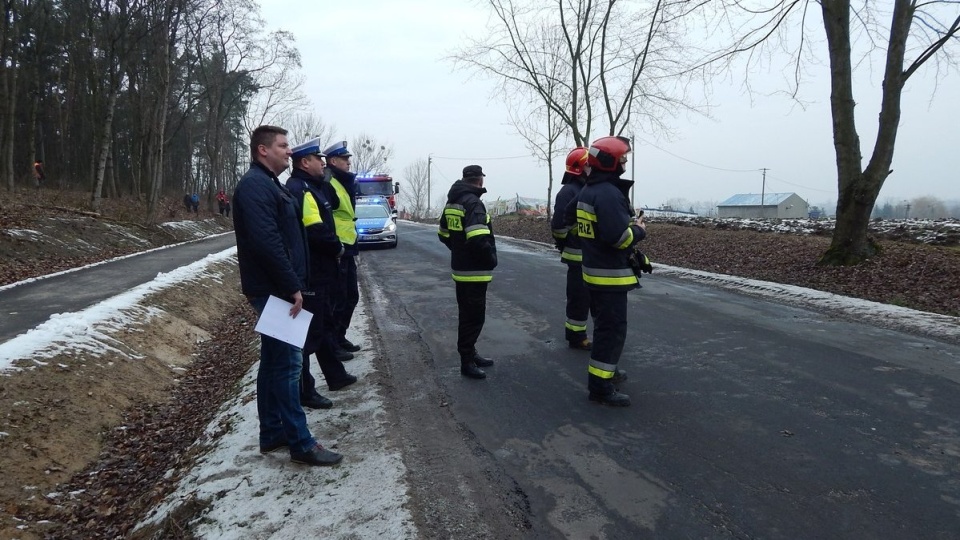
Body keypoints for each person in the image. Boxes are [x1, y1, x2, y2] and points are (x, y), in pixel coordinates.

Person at [232, 125, 342, 466]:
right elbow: (268, 244)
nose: (288, 151)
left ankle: (273, 432)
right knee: (290, 365)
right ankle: (301, 442)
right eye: (282, 145)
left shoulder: (269, 185)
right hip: (275, 290)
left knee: (275, 363)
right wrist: (293, 286)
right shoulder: (254, 187)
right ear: (263, 150)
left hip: (278, 287)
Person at [286, 137, 358, 409]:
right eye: (318, 159)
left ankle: (335, 375)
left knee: (324, 324)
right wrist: (337, 246)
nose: (322, 163)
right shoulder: (302, 190)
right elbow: (314, 229)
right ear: (305, 162)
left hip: (320, 269)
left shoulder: (309, 187)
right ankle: (306, 391)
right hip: (313, 272)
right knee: (309, 334)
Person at [575, 136, 645, 407]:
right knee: (611, 331)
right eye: (623, 158)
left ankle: (608, 372)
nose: (625, 162)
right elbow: (619, 238)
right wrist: (639, 229)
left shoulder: (590, 191)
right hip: (609, 276)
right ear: (611, 162)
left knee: (605, 328)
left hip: (595, 272)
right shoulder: (607, 193)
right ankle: (601, 387)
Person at [437, 165, 498, 379]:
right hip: (474, 272)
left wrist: (458, 250)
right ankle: (467, 361)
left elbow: (443, 234)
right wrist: (490, 259)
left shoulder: (453, 201)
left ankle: (470, 353)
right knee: (474, 318)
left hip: (461, 269)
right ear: (480, 180)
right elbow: (479, 238)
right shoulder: (473, 203)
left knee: (467, 315)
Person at [321, 141, 363, 357]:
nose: (348, 163)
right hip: (337, 249)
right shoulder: (328, 182)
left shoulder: (343, 182)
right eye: (345, 159)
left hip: (347, 248)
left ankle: (339, 337)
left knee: (350, 297)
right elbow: (326, 217)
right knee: (338, 298)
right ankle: (333, 345)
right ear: (333, 161)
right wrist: (334, 246)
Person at [551, 147, 593, 351]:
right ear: (580, 168)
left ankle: (579, 334)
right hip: (577, 256)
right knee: (579, 298)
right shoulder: (569, 192)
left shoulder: (586, 188)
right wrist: (568, 241)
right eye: (588, 164)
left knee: (588, 298)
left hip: (590, 255)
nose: (592, 167)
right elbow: (558, 226)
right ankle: (576, 336)